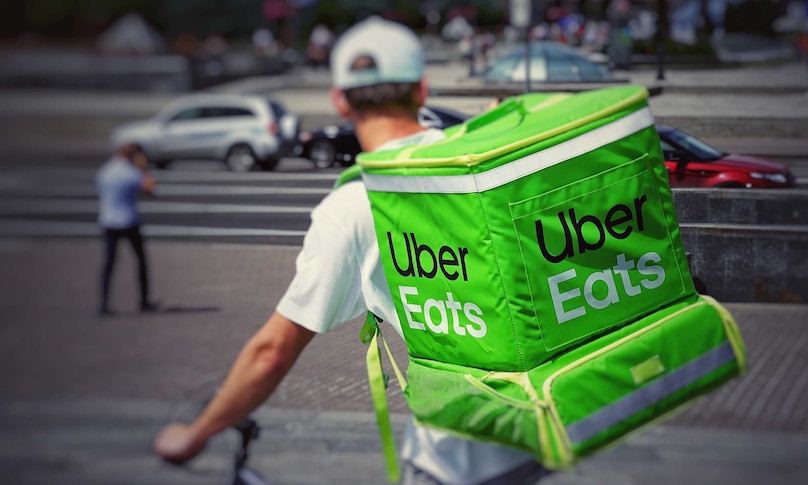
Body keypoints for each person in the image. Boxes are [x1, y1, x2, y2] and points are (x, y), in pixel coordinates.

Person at [152, 17, 552, 484]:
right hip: (537, 432)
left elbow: (272, 352)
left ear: (339, 100)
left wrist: (197, 434)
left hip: (457, 460)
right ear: (422, 90)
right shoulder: (481, 167)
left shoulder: (355, 206)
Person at [96, 143, 158, 315]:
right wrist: (143, 169)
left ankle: (104, 303)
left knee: (109, 265)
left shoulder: (105, 171)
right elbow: (150, 188)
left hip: (108, 221)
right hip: (128, 221)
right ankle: (144, 300)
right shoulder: (131, 172)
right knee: (140, 261)